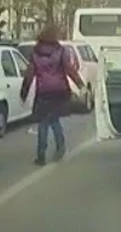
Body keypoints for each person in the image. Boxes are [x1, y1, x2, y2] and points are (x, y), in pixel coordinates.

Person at [20, 25, 84, 166]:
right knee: (54, 120)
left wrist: (24, 92)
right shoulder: (61, 51)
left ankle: (41, 155)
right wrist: (80, 85)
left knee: (42, 123)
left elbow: (29, 74)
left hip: (43, 91)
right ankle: (60, 147)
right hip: (60, 90)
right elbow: (69, 70)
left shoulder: (35, 53)